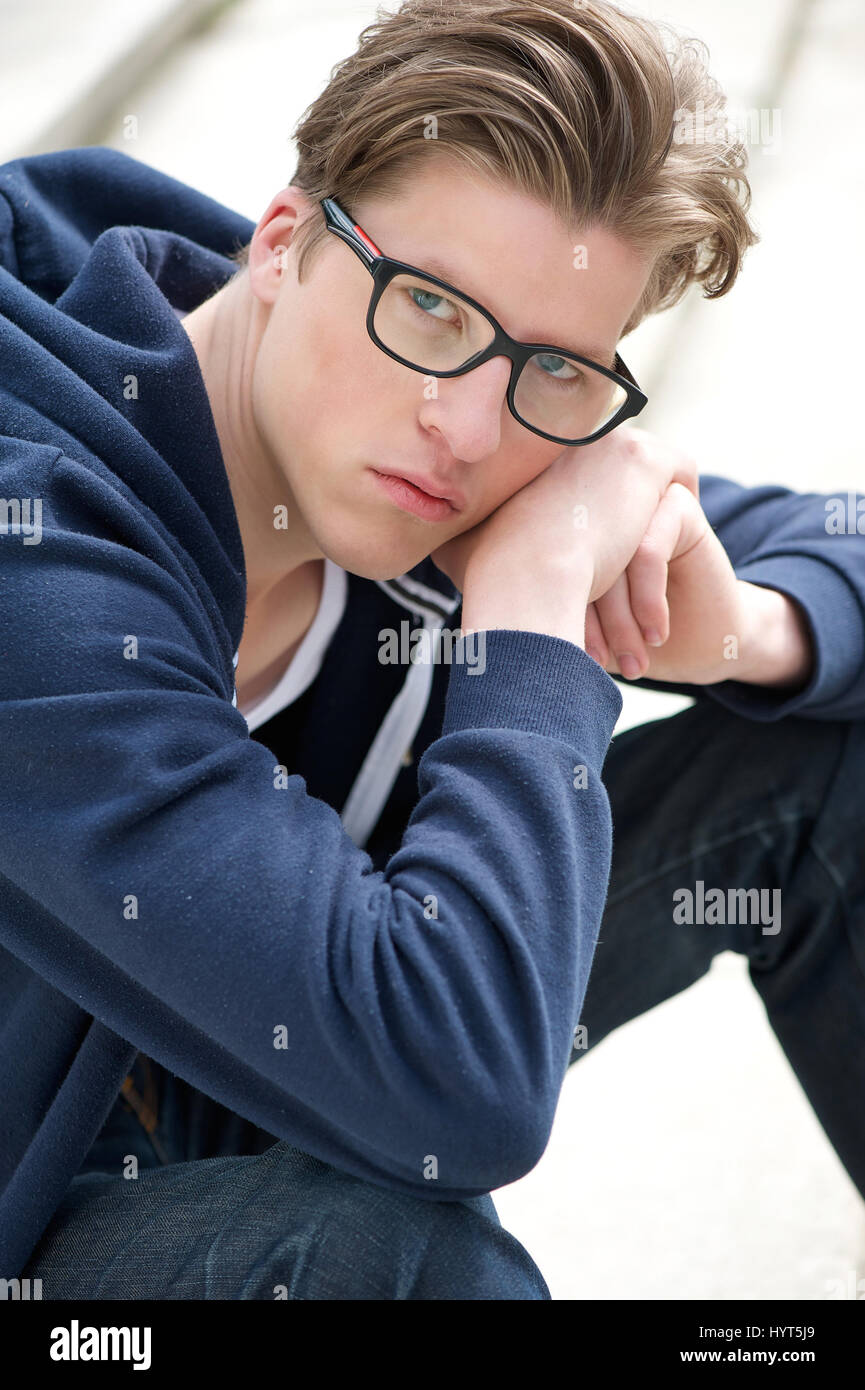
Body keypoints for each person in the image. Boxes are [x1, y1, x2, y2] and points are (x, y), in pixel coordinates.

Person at [0, 0, 862, 1300]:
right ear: (281, 241)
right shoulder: (33, 545)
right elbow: (456, 1094)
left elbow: (829, 547)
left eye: (557, 368)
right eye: (430, 310)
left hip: (257, 1043)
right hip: (43, 1218)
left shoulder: (454, 440)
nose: (463, 427)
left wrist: (739, 629)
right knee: (395, 1259)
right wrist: (526, 640)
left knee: (826, 758)